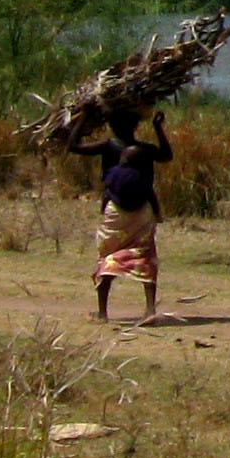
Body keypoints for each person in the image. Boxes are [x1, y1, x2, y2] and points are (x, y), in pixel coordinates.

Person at [83, 112, 172, 324]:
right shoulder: (145, 153)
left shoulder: (111, 158)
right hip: (143, 213)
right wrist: (158, 128)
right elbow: (167, 156)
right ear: (135, 125)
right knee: (145, 255)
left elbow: (74, 147)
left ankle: (103, 313)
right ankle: (150, 309)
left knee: (107, 257)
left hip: (115, 214)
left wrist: (80, 119)